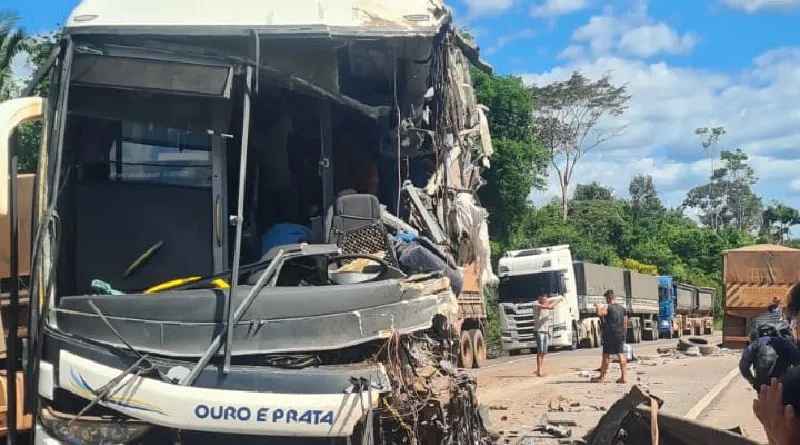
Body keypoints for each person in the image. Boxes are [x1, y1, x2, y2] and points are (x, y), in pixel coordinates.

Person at [740, 320, 800, 389]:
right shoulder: (786, 343)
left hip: (761, 385)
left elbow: (743, 367)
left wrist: (753, 382)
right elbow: (797, 363)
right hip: (782, 385)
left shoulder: (755, 345)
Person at [591, 289, 628, 384]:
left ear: (607, 298)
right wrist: (624, 334)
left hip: (610, 334)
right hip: (620, 334)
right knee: (620, 354)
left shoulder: (609, 308)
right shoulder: (622, 308)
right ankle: (624, 377)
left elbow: (599, 313)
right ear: (614, 298)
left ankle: (601, 377)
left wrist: (597, 306)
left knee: (606, 355)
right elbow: (625, 323)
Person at [531, 294, 563, 377]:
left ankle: (539, 369)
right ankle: (539, 370)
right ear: (540, 300)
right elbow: (549, 306)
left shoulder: (546, 307)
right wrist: (558, 300)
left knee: (543, 352)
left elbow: (546, 320)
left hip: (545, 331)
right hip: (538, 331)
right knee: (540, 351)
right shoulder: (536, 305)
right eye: (543, 300)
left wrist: (548, 331)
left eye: (545, 300)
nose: (544, 301)